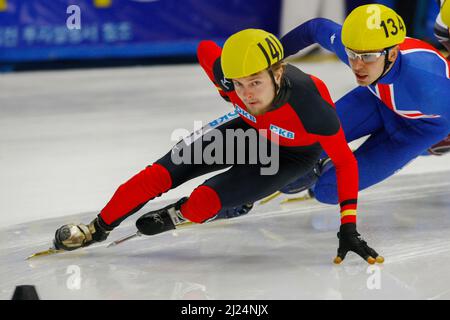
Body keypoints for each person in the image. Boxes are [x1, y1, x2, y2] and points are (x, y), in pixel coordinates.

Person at [52, 29, 383, 265]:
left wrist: (348, 227)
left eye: (255, 82)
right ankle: (96, 229)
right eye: (238, 84)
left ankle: (184, 212)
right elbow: (205, 48)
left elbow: (346, 163)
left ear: (278, 73)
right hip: (249, 132)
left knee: (201, 204)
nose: (247, 94)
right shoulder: (229, 81)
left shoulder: (312, 110)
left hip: (294, 155)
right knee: (157, 174)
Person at [278, 4, 450, 201]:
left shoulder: (431, 87)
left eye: (368, 56)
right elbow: (315, 28)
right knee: (293, 150)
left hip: (416, 132)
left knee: (327, 191)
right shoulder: (361, 49)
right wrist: (271, 58)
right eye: (352, 54)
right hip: (377, 100)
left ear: (392, 54)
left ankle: (325, 167)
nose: (358, 65)